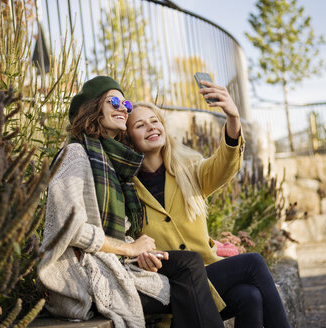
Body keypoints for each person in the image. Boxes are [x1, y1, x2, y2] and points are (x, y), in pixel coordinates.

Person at [38, 76, 225, 328]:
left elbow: (120, 230)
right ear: (93, 108)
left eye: (125, 104)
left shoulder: (113, 163)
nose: (122, 108)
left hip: (115, 264)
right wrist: (130, 249)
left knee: (194, 271)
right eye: (113, 101)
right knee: (190, 271)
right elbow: (70, 228)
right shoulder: (75, 154)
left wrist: (140, 251)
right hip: (80, 277)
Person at [124, 80, 292, 328]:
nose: (151, 127)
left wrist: (233, 119)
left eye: (155, 121)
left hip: (206, 278)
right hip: (168, 286)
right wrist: (138, 254)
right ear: (128, 138)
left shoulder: (188, 167)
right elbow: (125, 240)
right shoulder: (126, 186)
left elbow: (223, 167)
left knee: (250, 296)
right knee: (254, 262)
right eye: (140, 125)